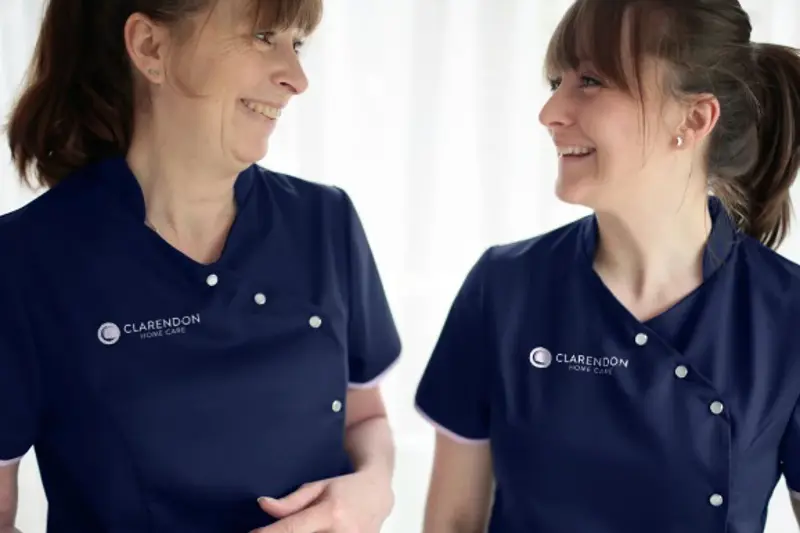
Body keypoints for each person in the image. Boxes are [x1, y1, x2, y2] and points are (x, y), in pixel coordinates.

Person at [0, 0, 401, 532]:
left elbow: (364, 414)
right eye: (264, 36)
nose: (297, 79)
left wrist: (373, 487)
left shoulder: (325, 222)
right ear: (151, 47)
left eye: (297, 44)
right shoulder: (24, 261)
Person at [414, 0, 800, 532]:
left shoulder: (787, 314)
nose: (550, 112)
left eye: (591, 81)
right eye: (557, 82)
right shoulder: (504, 287)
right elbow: (455, 521)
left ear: (693, 118)